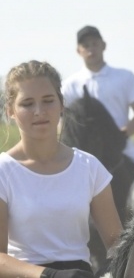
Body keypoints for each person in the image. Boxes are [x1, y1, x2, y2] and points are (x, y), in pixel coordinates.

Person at [0, 60, 122, 278]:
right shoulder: (3, 172)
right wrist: (50, 275)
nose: (39, 111)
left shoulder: (89, 167)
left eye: (48, 101)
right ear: (10, 110)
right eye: (27, 104)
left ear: (61, 104)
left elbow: (116, 242)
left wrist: (110, 270)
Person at [61, 26, 134, 169]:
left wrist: (120, 135)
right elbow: (63, 122)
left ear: (103, 45)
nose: (91, 49)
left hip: (123, 148)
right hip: (82, 152)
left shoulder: (125, 77)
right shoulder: (69, 85)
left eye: (95, 44)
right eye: (86, 45)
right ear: (78, 51)